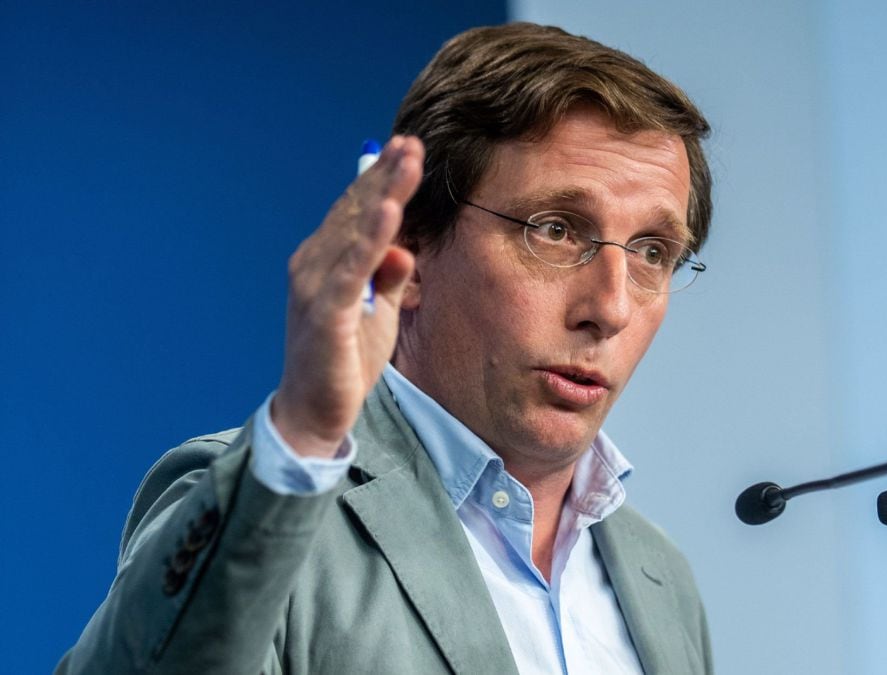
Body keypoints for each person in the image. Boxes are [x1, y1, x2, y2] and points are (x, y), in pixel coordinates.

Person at [58, 22, 714, 674]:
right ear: (413, 247)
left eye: (653, 251)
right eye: (555, 230)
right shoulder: (258, 506)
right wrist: (304, 435)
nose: (612, 307)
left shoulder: (661, 579)